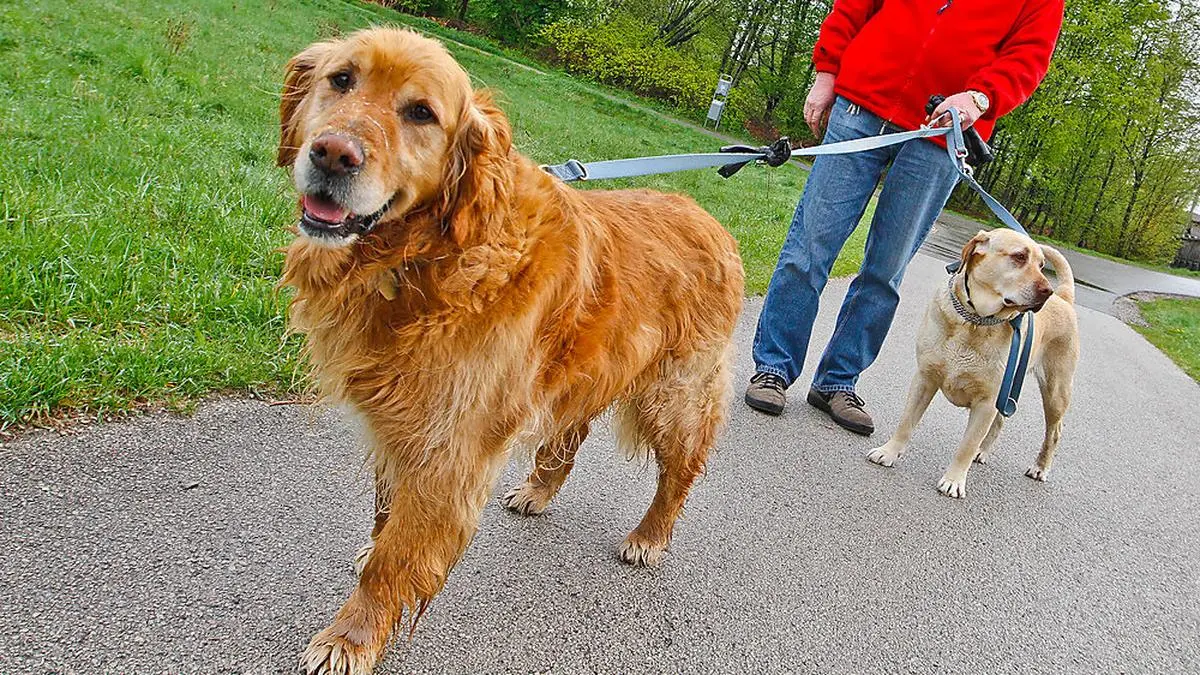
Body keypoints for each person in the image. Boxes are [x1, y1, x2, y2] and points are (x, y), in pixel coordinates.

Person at [744, 0, 1065, 435]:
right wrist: (826, 73)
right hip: (860, 105)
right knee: (809, 248)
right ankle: (773, 368)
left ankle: (838, 381)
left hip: (942, 133)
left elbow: (1027, 57)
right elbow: (853, 6)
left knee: (886, 269)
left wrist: (978, 98)